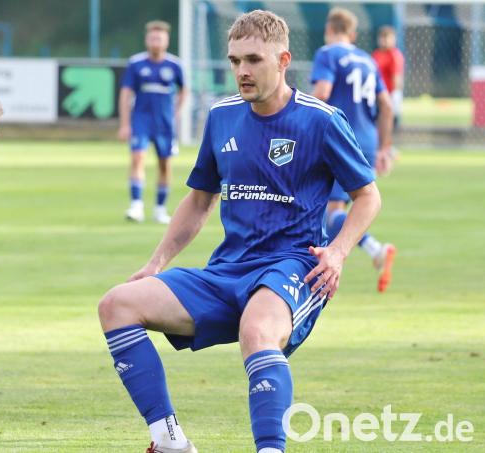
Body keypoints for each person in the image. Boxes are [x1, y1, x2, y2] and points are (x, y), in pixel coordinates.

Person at [98, 10, 382, 453]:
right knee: (117, 304)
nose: (242, 71)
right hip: (227, 269)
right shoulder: (222, 116)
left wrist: (340, 251)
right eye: (234, 61)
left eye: (253, 59)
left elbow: (368, 196)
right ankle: (168, 440)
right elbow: (198, 200)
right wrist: (155, 264)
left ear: (283, 59)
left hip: (293, 265)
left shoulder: (321, 120)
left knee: (257, 332)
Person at [311, 7, 396, 293]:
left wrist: (296, 114)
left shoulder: (327, 53)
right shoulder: (368, 60)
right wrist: (385, 147)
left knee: (330, 211)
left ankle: (374, 249)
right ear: (354, 34)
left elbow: (322, 93)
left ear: (329, 29)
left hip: (340, 138)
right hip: (368, 139)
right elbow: (386, 105)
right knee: (341, 205)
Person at [118, 20, 186, 224]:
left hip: (165, 123)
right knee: (137, 158)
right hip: (141, 120)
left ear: (166, 41)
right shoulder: (136, 63)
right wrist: (124, 123)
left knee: (165, 164)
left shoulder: (175, 65)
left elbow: (184, 90)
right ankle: (136, 206)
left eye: (160, 38)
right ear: (147, 40)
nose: (156, 41)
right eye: (153, 37)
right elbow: (125, 93)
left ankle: (160, 208)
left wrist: (176, 114)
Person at [372, 25, 405, 129]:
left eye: (388, 38)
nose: (385, 41)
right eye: (382, 38)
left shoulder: (394, 55)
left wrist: (394, 96)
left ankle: (387, 144)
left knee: (388, 122)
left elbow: (397, 77)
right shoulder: (376, 54)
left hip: (388, 94)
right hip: (376, 94)